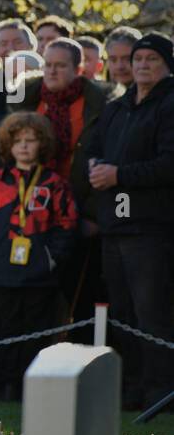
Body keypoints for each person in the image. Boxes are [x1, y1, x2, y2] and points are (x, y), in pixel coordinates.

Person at [87, 32, 174, 410]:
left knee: (152, 311)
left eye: (151, 59)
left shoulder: (169, 105)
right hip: (115, 227)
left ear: (167, 65)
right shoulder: (117, 107)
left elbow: (169, 164)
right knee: (122, 312)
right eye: (137, 59)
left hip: (151, 228)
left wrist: (119, 175)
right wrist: (94, 167)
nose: (140, 65)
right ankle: (133, 387)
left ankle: (160, 392)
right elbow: (94, 148)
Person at [0, 112, 78, 399]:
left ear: (42, 144)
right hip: (2, 269)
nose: (24, 147)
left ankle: (34, 383)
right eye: (18, 141)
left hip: (39, 272)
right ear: (8, 145)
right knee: (8, 325)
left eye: (31, 141)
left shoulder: (54, 183)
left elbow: (67, 224)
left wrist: (52, 258)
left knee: (36, 328)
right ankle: (9, 382)